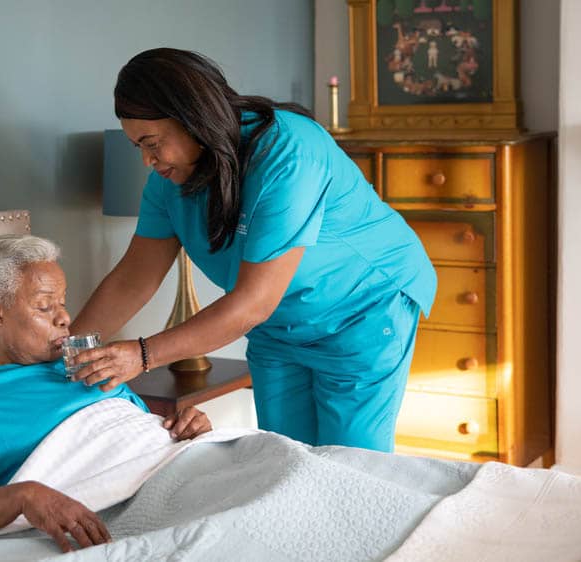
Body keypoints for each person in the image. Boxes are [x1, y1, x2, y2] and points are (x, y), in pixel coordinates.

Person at [68, 48, 436, 453]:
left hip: (362, 310)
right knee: (283, 458)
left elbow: (252, 303)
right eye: (137, 146)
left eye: (152, 143)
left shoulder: (289, 152)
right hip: (279, 327)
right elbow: (132, 278)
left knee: (350, 465)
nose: (146, 160)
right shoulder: (167, 184)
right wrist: (69, 352)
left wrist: (142, 355)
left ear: (193, 119)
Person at [0, 234, 213, 552]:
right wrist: (24, 496)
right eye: (45, 306)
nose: (65, 318)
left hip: (189, 473)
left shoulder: (84, 367)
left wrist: (186, 426)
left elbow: (135, 435)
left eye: (62, 303)